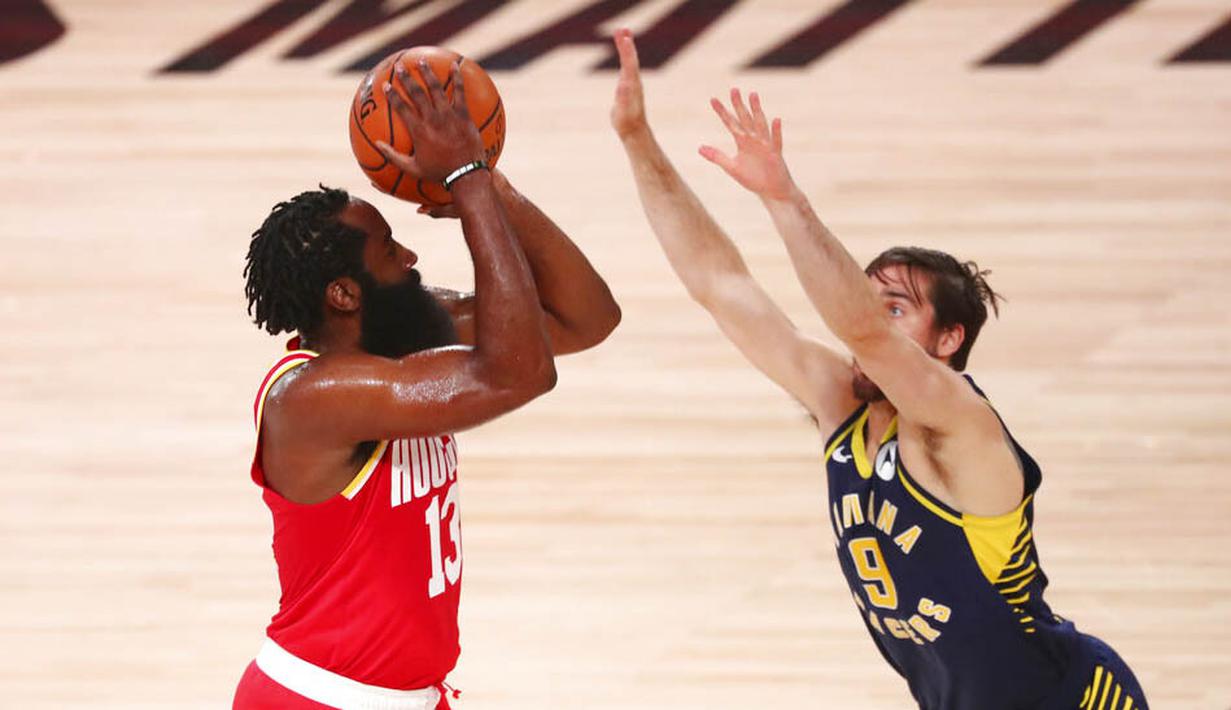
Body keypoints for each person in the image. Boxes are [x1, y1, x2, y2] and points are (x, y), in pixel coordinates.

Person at [610, 28, 1145, 710]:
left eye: (896, 306)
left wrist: (784, 199)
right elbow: (719, 282)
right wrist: (636, 141)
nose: (867, 315)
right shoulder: (845, 408)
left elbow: (856, 327)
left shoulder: (957, 424)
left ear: (948, 339)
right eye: (866, 294)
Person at [233, 59, 620, 709]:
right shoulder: (312, 398)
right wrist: (466, 185)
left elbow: (587, 318)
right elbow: (517, 374)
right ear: (344, 293)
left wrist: (491, 183)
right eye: (390, 251)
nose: (410, 257)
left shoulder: (409, 329)